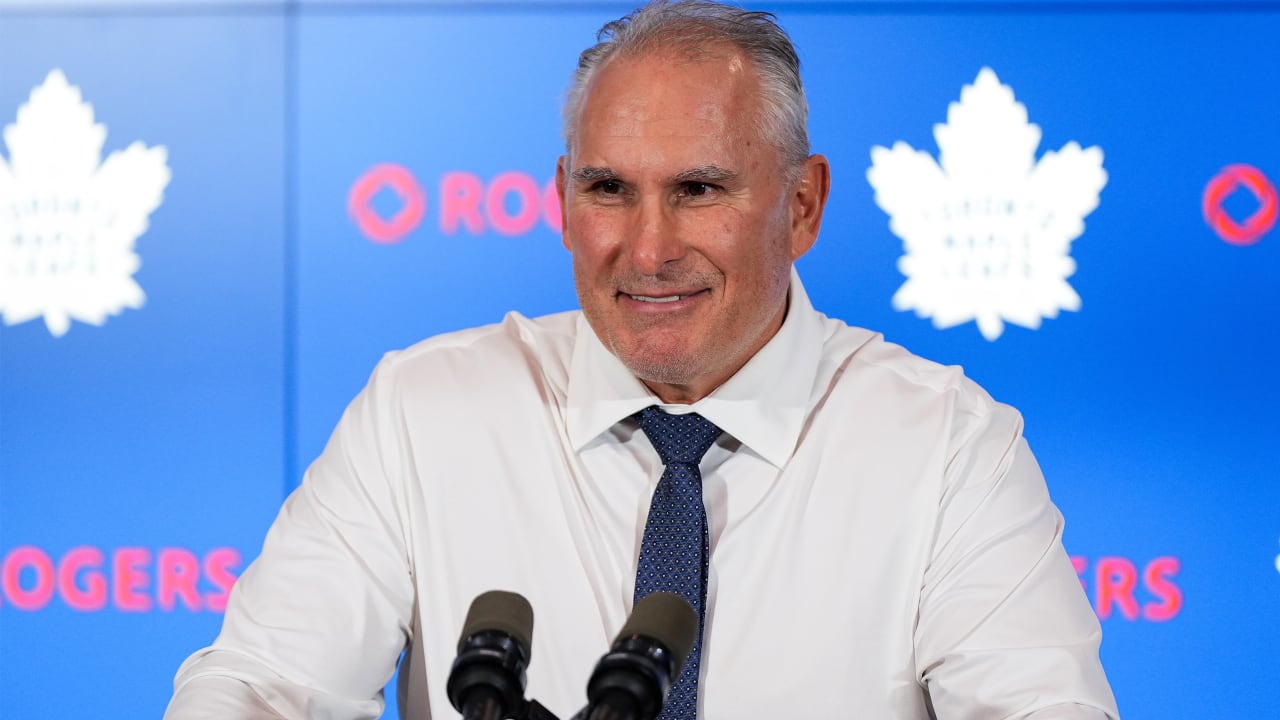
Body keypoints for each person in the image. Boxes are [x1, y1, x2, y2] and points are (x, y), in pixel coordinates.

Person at [165, 1, 1119, 718]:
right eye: (609, 189)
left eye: (700, 188)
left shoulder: (949, 449)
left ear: (802, 206)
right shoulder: (423, 411)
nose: (650, 248)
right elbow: (257, 688)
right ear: (561, 199)